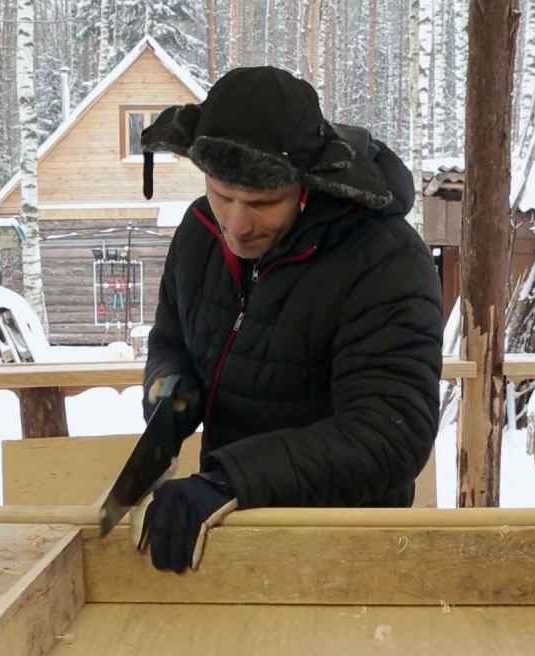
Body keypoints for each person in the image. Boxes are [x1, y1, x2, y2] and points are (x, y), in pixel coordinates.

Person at [134, 66, 443, 573]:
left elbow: (390, 432)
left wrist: (228, 479)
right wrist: (169, 386)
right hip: (234, 526)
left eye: (261, 203)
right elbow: (172, 338)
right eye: (221, 193)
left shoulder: (384, 259)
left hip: (350, 544)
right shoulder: (198, 232)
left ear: (307, 185)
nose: (236, 224)